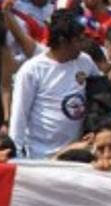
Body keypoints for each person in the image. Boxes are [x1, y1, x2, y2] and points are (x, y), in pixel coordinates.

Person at [9, 10, 103, 158]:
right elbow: (19, 114)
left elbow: (101, 93)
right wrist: (16, 152)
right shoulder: (32, 70)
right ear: (62, 41)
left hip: (77, 152)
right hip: (41, 154)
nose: (82, 44)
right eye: (78, 40)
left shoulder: (85, 61)